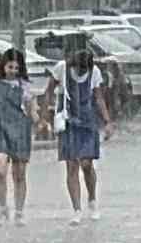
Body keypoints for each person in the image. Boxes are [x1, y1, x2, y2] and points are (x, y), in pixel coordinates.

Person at [43, 48, 113, 225]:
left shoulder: (94, 72)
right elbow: (49, 90)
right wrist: (46, 115)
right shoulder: (61, 68)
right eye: (80, 69)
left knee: (87, 164)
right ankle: (76, 209)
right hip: (68, 122)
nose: (82, 72)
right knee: (72, 165)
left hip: (88, 121)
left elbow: (98, 98)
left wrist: (107, 121)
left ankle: (92, 199)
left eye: (85, 70)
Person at [0, 48, 34, 226]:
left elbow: (30, 109)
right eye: (10, 67)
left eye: (17, 67)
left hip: (21, 130)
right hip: (0, 130)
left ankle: (19, 212)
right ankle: (2, 208)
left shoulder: (24, 85)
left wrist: (38, 121)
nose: (14, 71)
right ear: (3, 66)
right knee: (0, 171)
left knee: (20, 174)